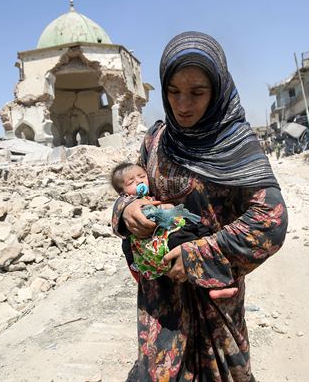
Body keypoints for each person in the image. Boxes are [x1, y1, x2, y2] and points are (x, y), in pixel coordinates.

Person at [111, 31, 288, 381]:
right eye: (173, 92)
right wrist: (125, 210)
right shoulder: (157, 140)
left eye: (197, 92)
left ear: (218, 90)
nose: (183, 105)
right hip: (161, 298)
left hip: (213, 297)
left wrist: (197, 255)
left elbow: (271, 221)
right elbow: (133, 187)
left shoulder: (237, 145)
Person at [110, 162, 238, 300]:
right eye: (131, 182)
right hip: (164, 241)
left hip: (176, 228)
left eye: (142, 176)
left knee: (204, 236)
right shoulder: (134, 203)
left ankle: (220, 283)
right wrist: (164, 208)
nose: (139, 181)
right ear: (122, 193)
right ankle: (214, 287)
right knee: (189, 253)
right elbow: (144, 223)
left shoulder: (149, 197)